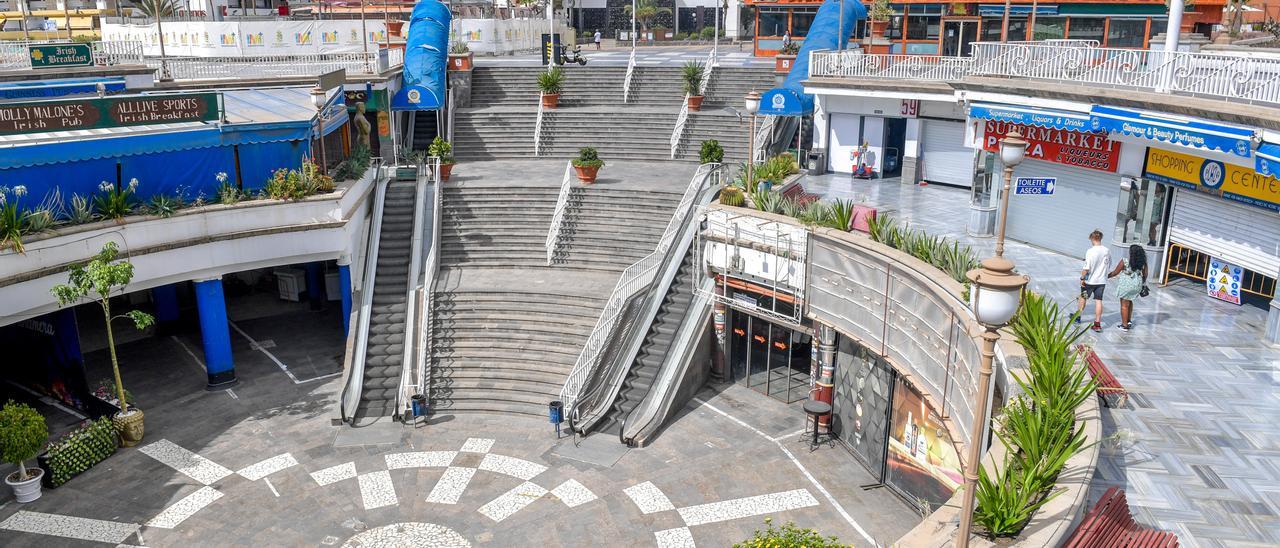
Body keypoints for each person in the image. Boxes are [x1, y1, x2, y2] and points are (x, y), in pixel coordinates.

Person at [1077, 229, 1111, 333]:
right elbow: (1109, 264)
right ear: (1100, 238)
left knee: (1083, 297)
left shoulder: (1090, 251)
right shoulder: (1107, 250)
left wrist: (1082, 278)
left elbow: (1086, 268)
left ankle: (1078, 317)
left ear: (1092, 238)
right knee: (1098, 301)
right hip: (1101, 281)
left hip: (1090, 281)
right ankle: (1097, 324)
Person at [1108, 245, 1148, 331]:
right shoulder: (1143, 262)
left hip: (1126, 285)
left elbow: (1115, 272)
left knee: (1124, 305)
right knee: (1130, 301)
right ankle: (1128, 320)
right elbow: (1145, 274)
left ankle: (1124, 325)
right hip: (1137, 285)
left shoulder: (1125, 261)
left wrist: (1106, 276)